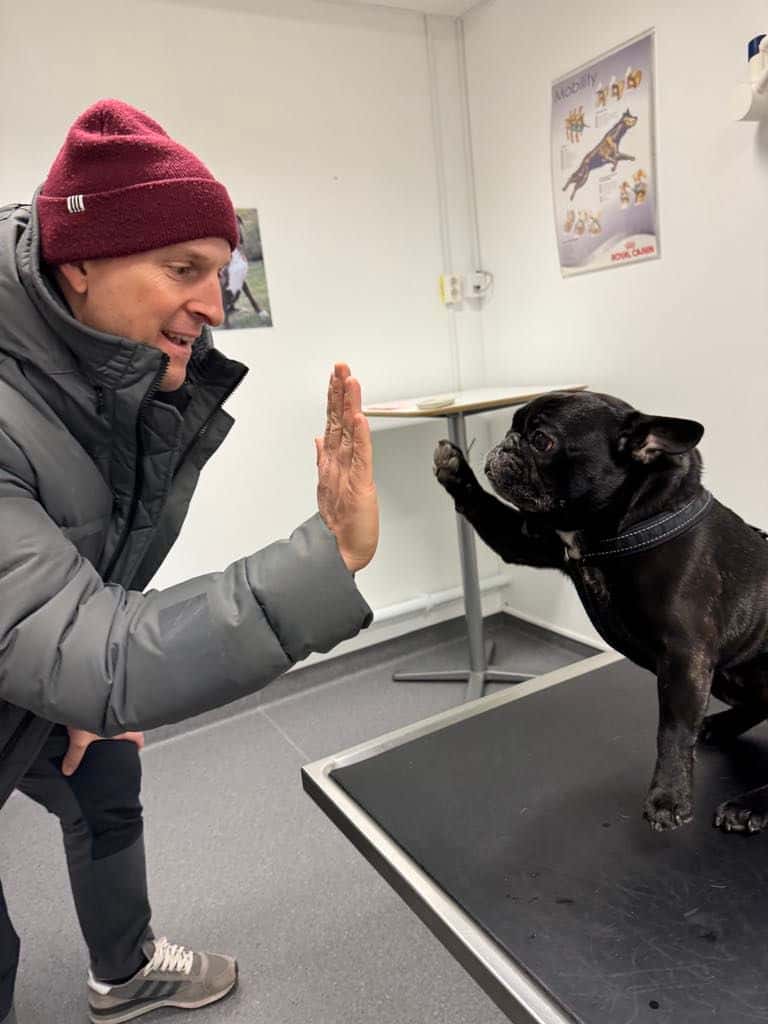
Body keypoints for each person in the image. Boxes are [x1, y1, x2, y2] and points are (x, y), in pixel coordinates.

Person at [0, 99, 379, 1024]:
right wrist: (328, 555)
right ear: (78, 260)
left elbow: (81, 573)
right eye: (185, 271)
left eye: (222, 273)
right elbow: (97, 650)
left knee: (105, 769)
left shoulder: (94, 368)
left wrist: (71, 698)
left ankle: (124, 971)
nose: (214, 306)